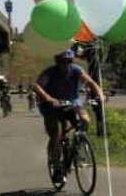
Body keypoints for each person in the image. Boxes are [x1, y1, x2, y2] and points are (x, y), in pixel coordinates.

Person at [33, 50, 105, 181]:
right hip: (51, 106)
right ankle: (57, 168)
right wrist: (49, 98)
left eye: (69, 61)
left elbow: (91, 83)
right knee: (56, 134)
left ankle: (78, 144)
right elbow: (37, 86)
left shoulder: (76, 70)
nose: (66, 65)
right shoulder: (50, 72)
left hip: (72, 102)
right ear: (57, 62)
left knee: (85, 120)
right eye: (62, 62)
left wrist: (100, 94)